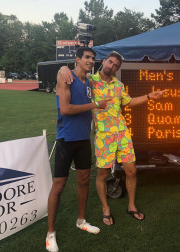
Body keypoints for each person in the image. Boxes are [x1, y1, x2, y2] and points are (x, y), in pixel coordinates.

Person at [60, 51, 165, 225]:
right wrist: (63, 67)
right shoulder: (91, 81)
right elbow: (75, 73)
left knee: (132, 171)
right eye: (110, 62)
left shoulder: (119, 85)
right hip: (104, 135)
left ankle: (132, 206)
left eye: (116, 65)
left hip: (122, 132)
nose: (111, 66)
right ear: (104, 61)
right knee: (102, 174)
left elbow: (128, 102)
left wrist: (148, 97)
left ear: (118, 68)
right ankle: (105, 209)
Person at [46, 47, 109, 252]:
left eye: (93, 58)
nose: (91, 61)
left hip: (84, 140)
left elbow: (108, 75)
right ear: (78, 59)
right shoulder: (66, 78)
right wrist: (95, 105)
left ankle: (81, 221)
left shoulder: (89, 82)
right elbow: (66, 109)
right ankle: (50, 234)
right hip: (66, 138)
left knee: (83, 181)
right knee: (59, 185)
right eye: (87, 58)